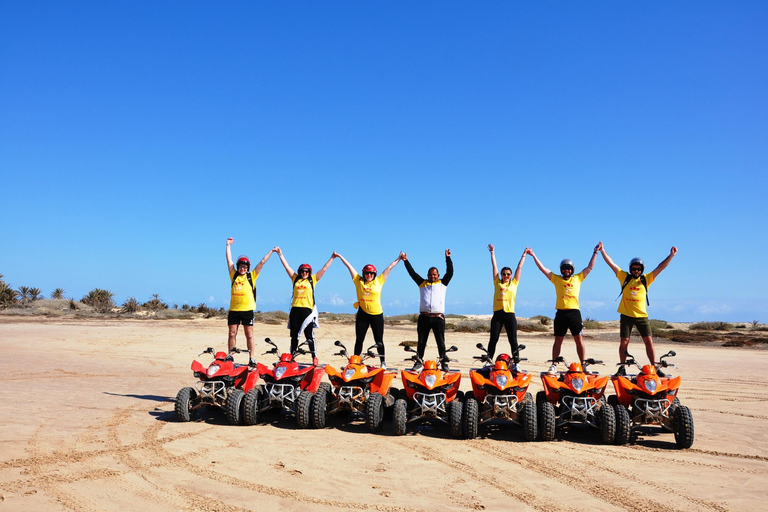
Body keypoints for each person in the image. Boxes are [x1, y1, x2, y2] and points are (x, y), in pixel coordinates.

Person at [599, 244, 678, 375]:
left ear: (642, 270)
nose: (636, 271)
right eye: (634, 269)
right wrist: (602, 251)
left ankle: (654, 367)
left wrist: (671, 256)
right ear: (630, 269)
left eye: (638, 269)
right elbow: (611, 264)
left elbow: (660, 267)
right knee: (624, 341)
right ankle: (622, 367)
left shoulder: (646, 279)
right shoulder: (624, 277)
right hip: (626, 315)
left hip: (642, 316)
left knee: (649, 341)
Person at [526, 243, 600, 373]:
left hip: (574, 313)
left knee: (579, 339)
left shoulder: (578, 278)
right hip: (561, 314)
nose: (566, 270)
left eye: (568, 268)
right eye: (564, 268)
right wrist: (533, 255)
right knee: (558, 340)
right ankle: (554, 364)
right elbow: (543, 269)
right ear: (561, 270)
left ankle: (583, 364)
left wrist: (595, 252)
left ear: (572, 270)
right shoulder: (556, 279)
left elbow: (590, 267)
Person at [335, 251, 402, 368]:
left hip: (377, 315)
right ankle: (355, 361)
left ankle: (382, 362)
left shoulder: (379, 281)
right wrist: (340, 256)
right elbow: (349, 267)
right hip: (362, 314)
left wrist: (399, 258)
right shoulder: (358, 281)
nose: (369, 275)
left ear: (374, 274)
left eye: (371, 273)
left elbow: (389, 268)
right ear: (364, 273)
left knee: (379, 340)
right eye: (367, 273)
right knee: (359, 339)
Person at [274, 247, 335, 365]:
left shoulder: (313, 280)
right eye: (302, 271)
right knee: (294, 336)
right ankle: (292, 357)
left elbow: (324, 269)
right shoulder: (295, 278)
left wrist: (332, 258)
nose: (304, 273)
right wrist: (280, 254)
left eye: (306, 271)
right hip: (295, 310)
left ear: (309, 272)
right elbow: (286, 267)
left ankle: (314, 357)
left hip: (308, 312)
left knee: (309, 336)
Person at [401, 249, 454, 371]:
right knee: (421, 341)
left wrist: (448, 258)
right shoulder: (422, 283)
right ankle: (419, 361)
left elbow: (450, 272)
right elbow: (412, 273)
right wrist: (405, 261)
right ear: (427, 275)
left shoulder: (443, 283)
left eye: (435, 274)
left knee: (441, 342)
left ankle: (443, 362)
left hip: (438, 318)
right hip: (424, 317)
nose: (432, 276)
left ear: (438, 275)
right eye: (430, 274)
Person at [225, 238, 275, 365]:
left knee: (250, 335)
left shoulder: (251, 276)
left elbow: (262, 263)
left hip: (248, 310)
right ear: (238, 267)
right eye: (241, 267)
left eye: (245, 267)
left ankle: (252, 357)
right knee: (232, 333)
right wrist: (228, 245)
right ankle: (230, 355)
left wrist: (272, 251)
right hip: (234, 310)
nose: (242, 269)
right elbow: (229, 260)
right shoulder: (234, 275)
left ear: (248, 267)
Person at [486, 244, 527, 364]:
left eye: (508, 274)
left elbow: (519, 267)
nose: (506, 276)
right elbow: (494, 266)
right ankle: (489, 361)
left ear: (511, 276)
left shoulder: (514, 284)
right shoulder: (497, 283)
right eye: (504, 274)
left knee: (513, 340)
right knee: (493, 339)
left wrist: (524, 255)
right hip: (498, 314)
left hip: (509, 314)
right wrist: (492, 253)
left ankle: (516, 363)